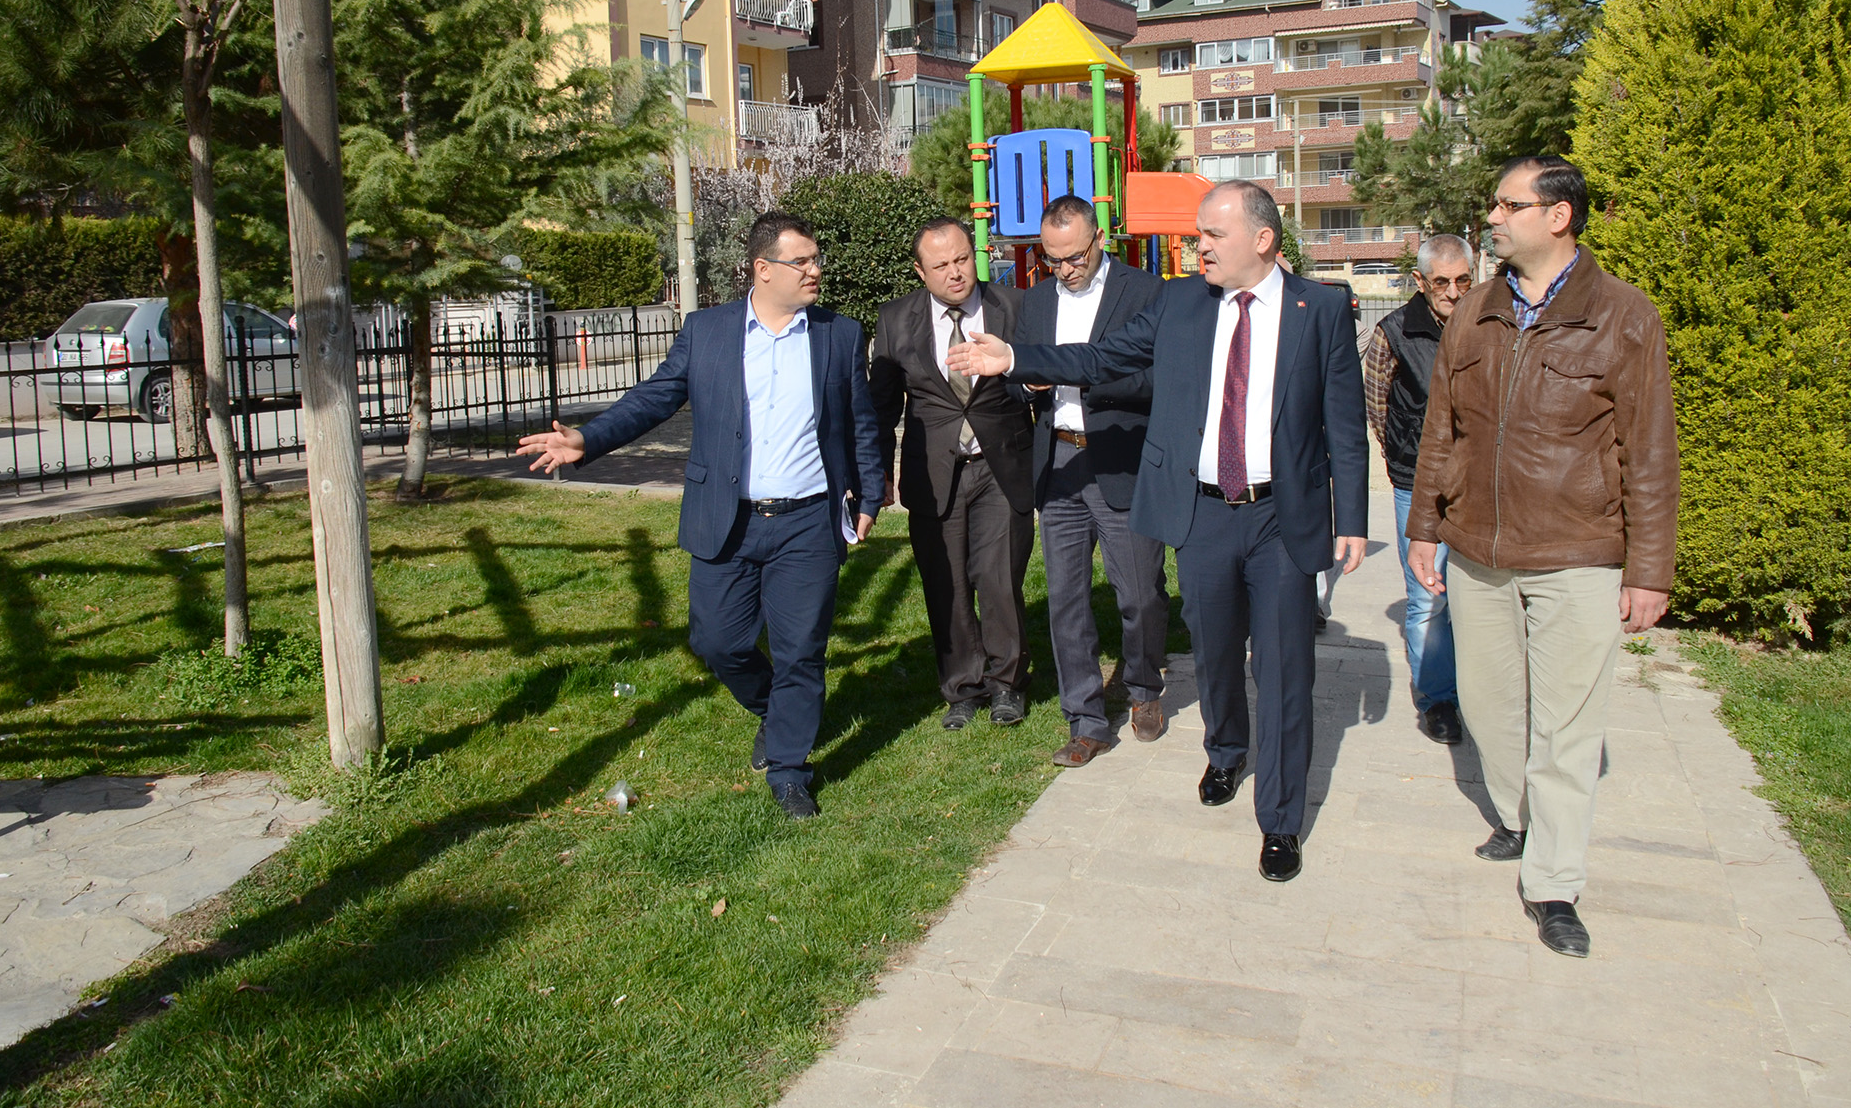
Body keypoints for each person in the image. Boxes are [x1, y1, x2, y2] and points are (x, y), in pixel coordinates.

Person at [952, 182, 1369, 882]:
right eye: (1198, 234)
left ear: (1262, 239)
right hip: (1203, 515)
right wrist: (1015, 359)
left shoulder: (1320, 310)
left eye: (1212, 234)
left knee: (1283, 668)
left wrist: (1350, 519)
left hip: (1281, 517)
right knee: (1215, 653)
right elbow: (1098, 358)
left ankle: (1280, 818)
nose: (1198, 246)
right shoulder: (1181, 303)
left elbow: (1345, 423)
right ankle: (1226, 750)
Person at [515, 211, 883, 821]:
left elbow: (859, 423)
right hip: (726, 518)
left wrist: (868, 496)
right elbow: (655, 397)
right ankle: (774, 710)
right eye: (802, 261)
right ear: (763, 270)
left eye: (816, 259)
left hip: (807, 521)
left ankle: (790, 770)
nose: (815, 270)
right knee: (717, 642)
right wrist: (587, 439)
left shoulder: (838, 335)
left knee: (801, 651)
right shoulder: (708, 331)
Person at [1406, 156, 1677, 958]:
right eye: (1493, 204)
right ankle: (1520, 820)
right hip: (1478, 550)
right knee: (1488, 708)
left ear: (1557, 216)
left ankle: (1553, 882)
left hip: (1577, 552)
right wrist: (1424, 526)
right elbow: (1441, 430)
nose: (1491, 217)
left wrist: (1648, 569)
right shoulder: (1473, 311)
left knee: (1565, 728)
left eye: (1507, 204)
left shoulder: (1623, 315)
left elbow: (1649, 453)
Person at [1012, 194, 1168, 767]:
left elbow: (1157, 377)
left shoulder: (1144, 292)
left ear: (1100, 238)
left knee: (1140, 595)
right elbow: (1016, 374)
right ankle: (1085, 718)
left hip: (1122, 462)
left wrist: (1083, 372)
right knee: (1066, 600)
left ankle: (1144, 686)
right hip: (1059, 463)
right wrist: (1026, 383)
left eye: (1074, 256)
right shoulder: (1035, 302)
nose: (1064, 269)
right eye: (1052, 259)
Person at [869, 218, 1034, 730]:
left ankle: (1007, 684)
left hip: (1000, 465)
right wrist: (878, 473)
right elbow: (881, 407)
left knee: (999, 579)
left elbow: (1038, 379)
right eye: (940, 265)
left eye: (962, 259)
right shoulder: (895, 320)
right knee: (946, 584)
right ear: (921, 271)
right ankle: (962, 687)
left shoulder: (1015, 307)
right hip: (934, 470)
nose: (955, 272)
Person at [1362, 234, 1474, 744]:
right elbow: (1377, 403)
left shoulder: (1489, 325)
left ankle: (1478, 692)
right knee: (1427, 596)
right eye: (1441, 282)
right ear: (1420, 281)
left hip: (1478, 485)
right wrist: (1402, 459)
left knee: (1478, 595)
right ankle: (1438, 698)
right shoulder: (1393, 332)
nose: (1453, 292)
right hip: (1417, 483)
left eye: (1463, 281)